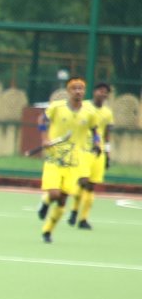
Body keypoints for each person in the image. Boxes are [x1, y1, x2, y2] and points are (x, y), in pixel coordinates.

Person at [37, 78, 98, 243]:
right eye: (74, 88)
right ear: (69, 91)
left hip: (73, 162)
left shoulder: (89, 112)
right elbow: (42, 119)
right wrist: (44, 139)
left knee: (62, 200)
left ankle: (47, 231)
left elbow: (95, 130)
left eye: (81, 89)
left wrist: (97, 143)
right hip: (55, 158)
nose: (78, 91)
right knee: (54, 193)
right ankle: (46, 201)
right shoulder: (57, 107)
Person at [68, 82, 114, 230]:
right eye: (100, 90)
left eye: (105, 92)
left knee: (91, 186)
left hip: (98, 152)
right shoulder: (84, 106)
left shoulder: (107, 113)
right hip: (83, 149)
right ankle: (74, 210)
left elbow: (107, 135)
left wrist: (107, 154)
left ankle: (83, 219)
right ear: (94, 92)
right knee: (82, 181)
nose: (102, 94)